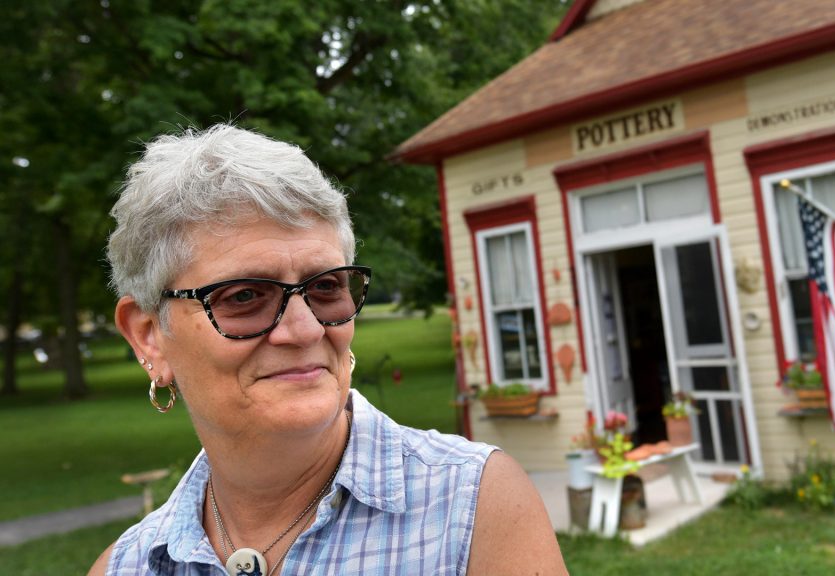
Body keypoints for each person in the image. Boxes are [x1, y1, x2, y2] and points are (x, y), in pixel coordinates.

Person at [90, 124, 567, 575]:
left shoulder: (472, 507)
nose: (304, 330)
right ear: (149, 334)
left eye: (326, 288)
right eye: (244, 297)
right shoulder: (130, 564)